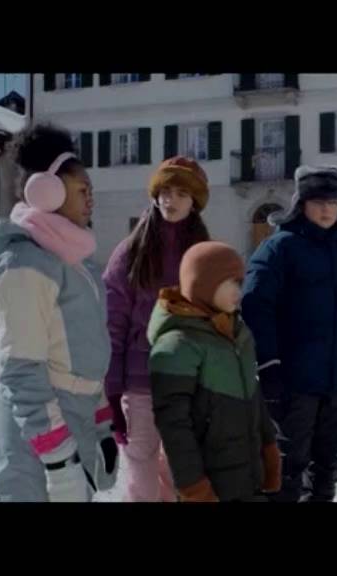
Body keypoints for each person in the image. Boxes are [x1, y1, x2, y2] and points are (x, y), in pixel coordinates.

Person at [0, 123, 119, 502]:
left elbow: (86, 351)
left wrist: (102, 423)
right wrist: (58, 459)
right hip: (39, 436)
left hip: (74, 420)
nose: (91, 200)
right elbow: (22, 369)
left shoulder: (75, 262)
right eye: (82, 190)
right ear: (47, 191)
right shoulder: (24, 263)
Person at [241, 165, 337, 503]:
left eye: (333, 201)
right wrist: (268, 365)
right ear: (301, 204)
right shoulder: (279, 249)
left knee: (327, 466)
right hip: (295, 383)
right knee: (288, 467)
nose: (326, 209)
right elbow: (255, 307)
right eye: (318, 201)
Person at [103, 156, 211, 502]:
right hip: (140, 384)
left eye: (181, 193)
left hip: (188, 384)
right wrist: (111, 390)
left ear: (194, 202)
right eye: (165, 191)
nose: (170, 200)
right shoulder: (131, 251)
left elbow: (217, 325)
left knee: (177, 474)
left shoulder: (205, 255)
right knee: (142, 477)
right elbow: (113, 324)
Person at [148, 241, 281, 502]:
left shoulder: (237, 332)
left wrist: (269, 449)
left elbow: (253, 395)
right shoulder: (177, 345)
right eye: (229, 283)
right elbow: (174, 426)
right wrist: (193, 486)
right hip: (210, 484)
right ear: (204, 284)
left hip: (248, 476)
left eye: (240, 282)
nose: (238, 291)